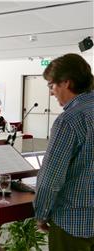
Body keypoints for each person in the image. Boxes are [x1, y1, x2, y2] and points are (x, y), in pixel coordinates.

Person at [34, 53, 94, 251]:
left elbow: (51, 177)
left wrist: (41, 214)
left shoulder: (69, 120)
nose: (51, 92)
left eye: (51, 85)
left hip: (74, 222)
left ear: (66, 83)